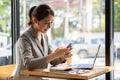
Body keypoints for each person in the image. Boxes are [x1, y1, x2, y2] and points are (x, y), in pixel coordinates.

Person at [17, 4, 72, 71]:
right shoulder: (25, 38)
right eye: (46, 23)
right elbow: (29, 64)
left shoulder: (44, 36)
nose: (50, 26)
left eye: (51, 22)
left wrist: (62, 57)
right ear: (35, 20)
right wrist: (55, 54)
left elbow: (52, 61)